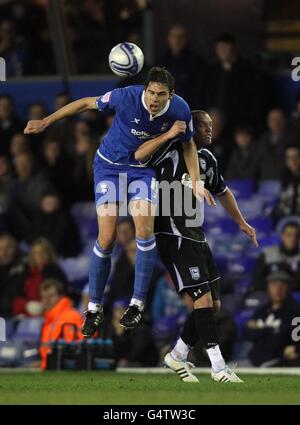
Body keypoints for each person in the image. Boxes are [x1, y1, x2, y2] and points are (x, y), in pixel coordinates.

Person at [24, 66, 203, 337]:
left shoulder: (181, 109)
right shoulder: (125, 97)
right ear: (145, 90)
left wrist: (197, 180)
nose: (155, 98)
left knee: (144, 229)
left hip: (142, 171)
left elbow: (189, 145)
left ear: (171, 94)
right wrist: (46, 121)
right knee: (106, 238)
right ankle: (94, 307)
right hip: (109, 167)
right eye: (151, 92)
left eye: (161, 94)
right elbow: (85, 103)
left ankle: (137, 304)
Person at [134, 110, 258, 382]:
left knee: (212, 305)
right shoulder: (170, 150)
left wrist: (241, 223)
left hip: (196, 235)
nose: (210, 130)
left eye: (212, 126)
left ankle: (176, 355)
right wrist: (168, 134)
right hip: (172, 234)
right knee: (201, 299)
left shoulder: (208, 159)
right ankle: (218, 367)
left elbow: (222, 192)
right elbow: (139, 154)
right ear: (191, 127)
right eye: (204, 125)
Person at [244, 271, 300, 367]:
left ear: (288, 288)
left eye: (282, 286)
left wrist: (260, 327)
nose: (278, 289)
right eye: (274, 285)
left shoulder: (295, 311)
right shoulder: (262, 310)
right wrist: (272, 330)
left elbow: (284, 338)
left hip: (279, 360)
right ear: (268, 287)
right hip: (254, 359)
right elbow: (246, 334)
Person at [12, 238, 68, 318]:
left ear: (49, 254)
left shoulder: (56, 273)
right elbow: (15, 296)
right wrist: (26, 305)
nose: (39, 255)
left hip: (48, 314)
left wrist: (43, 307)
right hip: (24, 314)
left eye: (43, 252)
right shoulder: (24, 272)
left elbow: (61, 296)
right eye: (36, 252)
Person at [39, 278, 84, 370]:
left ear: (61, 296)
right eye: (44, 297)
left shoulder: (69, 317)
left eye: (51, 296)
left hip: (63, 370)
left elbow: (71, 349)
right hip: (50, 368)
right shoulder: (49, 319)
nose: (47, 300)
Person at [251, 221, 300, 292]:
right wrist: (273, 290)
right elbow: (257, 279)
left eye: (297, 235)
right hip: (268, 293)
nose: (293, 239)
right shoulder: (267, 254)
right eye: (289, 235)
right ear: (282, 236)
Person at [0, 234, 26, 318]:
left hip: (18, 313)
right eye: (1, 248)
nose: (4, 252)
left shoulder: (25, 267)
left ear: (15, 249)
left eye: (8, 247)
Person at [272, 145, 300, 221]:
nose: (292, 161)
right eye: (289, 158)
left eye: (296, 157)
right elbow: (282, 201)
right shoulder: (284, 178)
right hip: (286, 218)